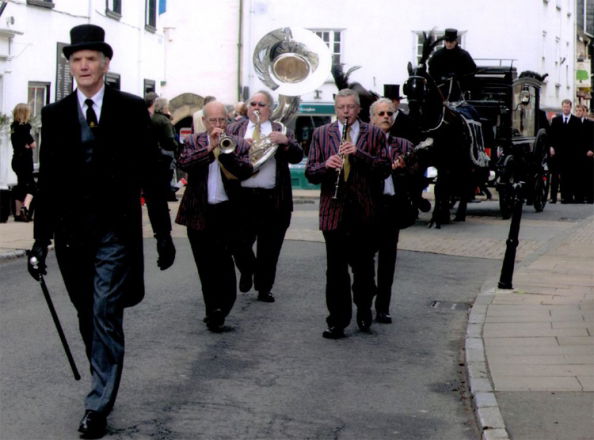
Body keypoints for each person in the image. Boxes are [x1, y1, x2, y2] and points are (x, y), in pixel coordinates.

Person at [26, 24, 176, 439]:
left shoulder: (130, 109)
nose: (84, 66)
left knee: (105, 311)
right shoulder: (55, 115)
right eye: (76, 59)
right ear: (71, 66)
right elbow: (48, 182)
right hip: (71, 235)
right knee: (86, 314)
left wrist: (162, 233)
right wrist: (39, 242)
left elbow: (151, 173)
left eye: (91, 59)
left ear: (105, 64)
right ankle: (102, 377)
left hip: (115, 233)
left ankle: (98, 404)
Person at [305, 88, 390, 339]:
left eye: (350, 107)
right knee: (335, 271)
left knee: (364, 271)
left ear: (358, 109)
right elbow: (311, 172)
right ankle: (337, 321)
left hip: (364, 213)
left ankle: (363, 308)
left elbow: (384, 168)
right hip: (334, 212)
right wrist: (325, 165)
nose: (346, 112)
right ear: (335, 109)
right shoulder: (322, 134)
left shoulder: (374, 133)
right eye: (341, 107)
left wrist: (358, 154)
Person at [175, 100, 253, 332]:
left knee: (225, 264)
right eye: (213, 120)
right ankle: (214, 312)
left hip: (227, 212)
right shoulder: (193, 141)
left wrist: (226, 154)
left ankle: (223, 305)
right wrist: (210, 148)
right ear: (204, 121)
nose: (218, 124)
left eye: (221, 120)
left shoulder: (238, 142)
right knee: (205, 266)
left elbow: (247, 170)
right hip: (199, 213)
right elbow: (184, 163)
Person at [226, 90, 303, 303]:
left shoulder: (280, 129)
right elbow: (224, 157)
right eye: (253, 104)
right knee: (238, 243)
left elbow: (298, 156)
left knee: (270, 248)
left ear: (270, 109)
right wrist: (241, 146)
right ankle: (247, 269)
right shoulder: (234, 128)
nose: (257, 108)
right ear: (247, 107)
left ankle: (264, 287)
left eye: (262, 104)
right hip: (242, 198)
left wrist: (286, 142)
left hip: (273, 199)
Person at [369, 98, 414, 324]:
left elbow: (416, 176)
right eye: (381, 113)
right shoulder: (363, 144)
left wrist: (404, 170)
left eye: (390, 113)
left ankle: (383, 308)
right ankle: (365, 301)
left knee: (388, 261)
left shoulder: (404, 145)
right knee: (365, 260)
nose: (386, 117)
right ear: (371, 118)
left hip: (391, 208)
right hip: (368, 208)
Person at [428, 28, 477, 102]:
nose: (449, 44)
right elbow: (432, 71)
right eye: (447, 41)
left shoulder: (463, 55)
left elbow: (472, 70)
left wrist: (459, 77)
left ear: (455, 41)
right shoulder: (437, 55)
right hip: (440, 88)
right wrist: (441, 77)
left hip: (458, 89)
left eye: (451, 42)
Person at [549, 99, 581, 203]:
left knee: (568, 175)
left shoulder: (576, 121)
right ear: (562, 107)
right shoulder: (556, 120)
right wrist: (551, 147)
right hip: (557, 152)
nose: (566, 109)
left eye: (567, 107)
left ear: (570, 107)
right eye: (564, 107)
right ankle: (553, 197)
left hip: (570, 153)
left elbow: (579, 138)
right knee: (555, 175)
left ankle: (566, 197)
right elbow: (551, 135)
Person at [10, 103, 37, 222]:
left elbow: (19, 144)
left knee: (21, 185)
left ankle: (17, 213)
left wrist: (26, 145)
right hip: (25, 161)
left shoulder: (14, 127)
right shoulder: (24, 128)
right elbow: (33, 144)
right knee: (32, 187)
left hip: (16, 160)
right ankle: (25, 208)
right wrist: (29, 145)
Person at [151, 97, 180, 201]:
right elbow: (169, 138)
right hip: (166, 152)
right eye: (167, 106)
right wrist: (176, 146)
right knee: (168, 175)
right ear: (163, 107)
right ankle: (168, 195)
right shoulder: (164, 121)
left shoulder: (152, 118)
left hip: (155, 151)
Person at [575, 104, 594, 204]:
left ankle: (590, 197)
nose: (578, 112)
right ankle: (579, 197)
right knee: (578, 176)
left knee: (588, 175)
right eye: (577, 111)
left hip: (588, 153)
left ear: (584, 112)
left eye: (580, 111)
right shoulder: (572, 123)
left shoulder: (590, 123)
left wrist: (592, 150)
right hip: (576, 154)